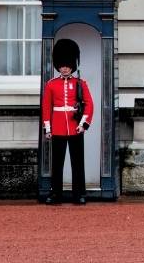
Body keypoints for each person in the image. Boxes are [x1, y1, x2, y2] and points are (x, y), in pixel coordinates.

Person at [42, 38, 94, 205]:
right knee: (57, 164)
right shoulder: (51, 85)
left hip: (75, 128)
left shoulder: (80, 83)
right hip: (57, 128)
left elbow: (89, 104)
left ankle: (78, 194)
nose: (64, 68)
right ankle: (56, 194)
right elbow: (46, 107)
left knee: (77, 163)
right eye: (62, 65)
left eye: (67, 65)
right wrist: (48, 128)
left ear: (72, 65)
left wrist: (83, 125)